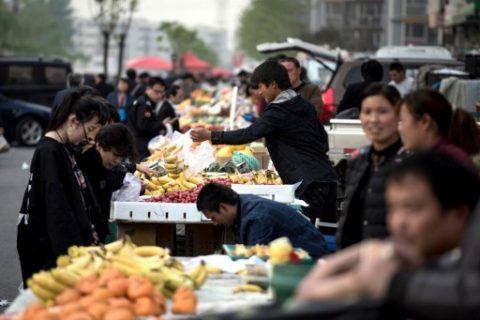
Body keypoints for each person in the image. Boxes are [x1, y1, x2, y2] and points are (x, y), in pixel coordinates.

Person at [296, 151, 480, 320]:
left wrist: (390, 282)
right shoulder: (432, 257)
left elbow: (309, 293)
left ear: (459, 214)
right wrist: (367, 250)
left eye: (413, 208)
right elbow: (308, 292)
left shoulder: (458, 280)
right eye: (392, 208)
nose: (399, 222)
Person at [191, 60, 337, 224]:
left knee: (311, 237)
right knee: (328, 233)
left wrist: (210, 135)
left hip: (308, 184)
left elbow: (248, 134)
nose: (259, 92)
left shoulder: (278, 110)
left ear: (273, 84)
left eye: (261, 86)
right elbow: (322, 139)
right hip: (328, 178)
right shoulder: (304, 104)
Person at [17, 93, 110, 285]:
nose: (91, 137)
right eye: (90, 129)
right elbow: (57, 208)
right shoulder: (50, 152)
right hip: (49, 248)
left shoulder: (63, 147)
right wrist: (71, 257)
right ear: (73, 121)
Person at [336, 83, 402, 249]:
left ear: (399, 114)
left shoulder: (410, 164)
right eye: (367, 112)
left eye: (382, 111)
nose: (373, 120)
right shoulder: (357, 161)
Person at [196, 183, 329, 258]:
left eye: (213, 218)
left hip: (310, 258)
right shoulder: (240, 204)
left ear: (223, 207)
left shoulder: (256, 218)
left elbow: (257, 259)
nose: (214, 223)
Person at [78, 123, 142, 243]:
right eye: (115, 155)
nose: (117, 161)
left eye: (121, 158)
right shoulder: (87, 165)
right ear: (100, 145)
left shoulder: (107, 167)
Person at [398, 89, 477, 172]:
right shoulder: (432, 157)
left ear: (425, 121)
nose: (399, 128)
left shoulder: (444, 164)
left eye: (402, 121)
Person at [127, 77, 170, 159]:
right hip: (140, 145)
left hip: (141, 143)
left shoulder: (147, 102)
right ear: (148, 89)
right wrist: (161, 124)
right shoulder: (144, 104)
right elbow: (143, 126)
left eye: (162, 93)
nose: (159, 95)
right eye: (157, 92)